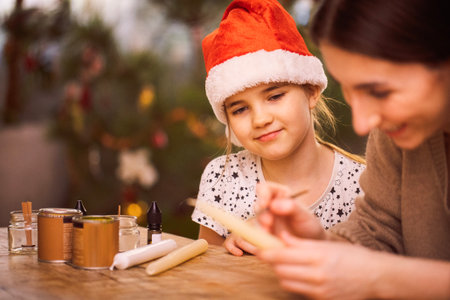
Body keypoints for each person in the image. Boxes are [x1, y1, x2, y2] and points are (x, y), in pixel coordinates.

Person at [256, 0, 450, 298]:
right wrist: (319, 243)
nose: (363, 123)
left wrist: (378, 277)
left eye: (380, 92)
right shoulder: (394, 131)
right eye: (349, 88)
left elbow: (376, 271)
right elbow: (380, 227)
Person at [191, 0, 365, 256]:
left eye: (274, 97)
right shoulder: (222, 178)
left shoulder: (363, 185)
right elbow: (206, 270)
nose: (260, 119)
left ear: (312, 90)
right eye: (240, 109)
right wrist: (232, 249)